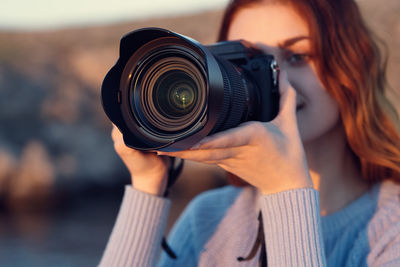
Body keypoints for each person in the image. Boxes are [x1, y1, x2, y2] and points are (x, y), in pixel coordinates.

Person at [99, 0, 400, 266]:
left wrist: (286, 190)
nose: (275, 80)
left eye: (297, 55)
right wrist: (148, 185)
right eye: (245, 62)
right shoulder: (210, 218)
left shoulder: (390, 229)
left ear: (352, 66)